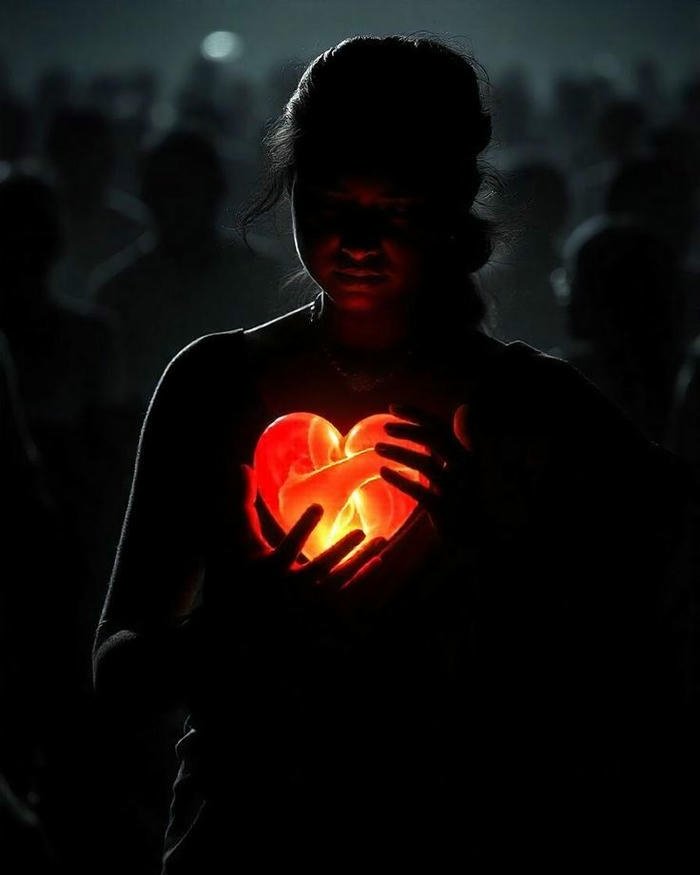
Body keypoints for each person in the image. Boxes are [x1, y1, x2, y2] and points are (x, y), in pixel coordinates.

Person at [93, 36, 690, 868]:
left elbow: (650, 637)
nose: (358, 239)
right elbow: (116, 671)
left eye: (397, 210)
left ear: (451, 212)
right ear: (288, 192)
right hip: (249, 838)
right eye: (330, 203)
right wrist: (234, 631)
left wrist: (506, 556)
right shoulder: (212, 385)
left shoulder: (532, 405)